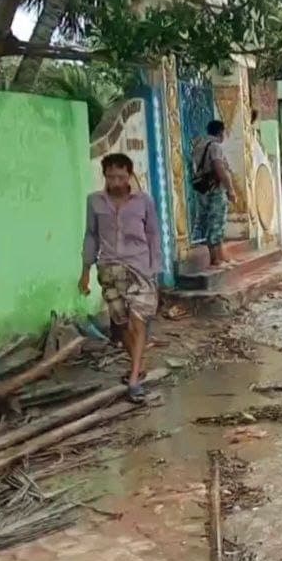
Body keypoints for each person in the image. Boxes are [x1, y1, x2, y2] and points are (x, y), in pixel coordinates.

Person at [80, 153, 162, 403]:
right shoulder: (94, 202)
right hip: (109, 270)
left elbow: (153, 235)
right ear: (104, 175)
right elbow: (91, 236)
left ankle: (134, 379)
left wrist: (154, 269)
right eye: (111, 176)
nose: (116, 182)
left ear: (129, 175)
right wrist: (85, 271)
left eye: (121, 176)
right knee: (123, 324)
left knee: (138, 322)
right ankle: (137, 363)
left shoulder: (144, 201)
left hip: (140, 268)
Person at [191, 120, 237, 267]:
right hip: (215, 188)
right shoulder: (215, 146)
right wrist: (230, 189)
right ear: (220, 132)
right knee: (217, 222)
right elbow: (219, 168)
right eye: (224, 132)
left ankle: (220, 257)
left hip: (202, 188)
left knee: (206, 221)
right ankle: (216, 259)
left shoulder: (199, 144)